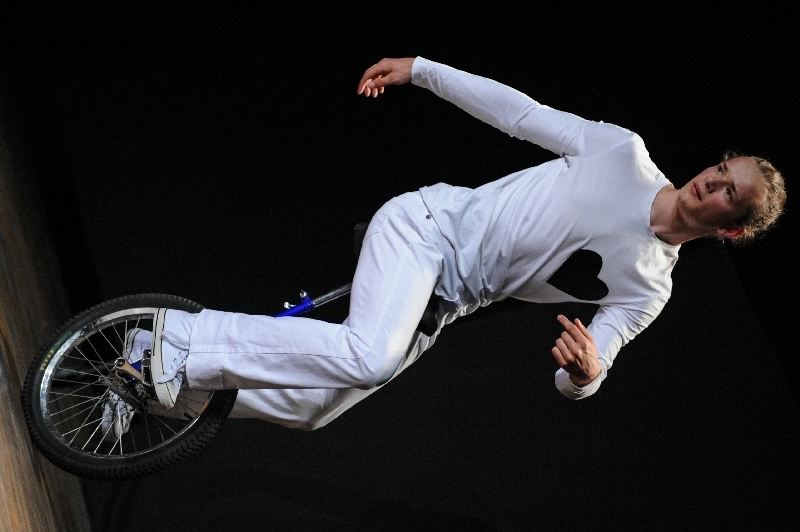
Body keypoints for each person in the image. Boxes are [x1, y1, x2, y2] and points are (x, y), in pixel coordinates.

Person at [103, 56, 786, 437]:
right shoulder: (622, 154)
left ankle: (158, 391)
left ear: (731, 229)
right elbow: (519, 113)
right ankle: (173, 343)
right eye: (722, 169)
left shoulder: (649, 288)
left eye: (730, 193)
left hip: (443, 302)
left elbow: (585, 369)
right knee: (368, 357)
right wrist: (423, 70)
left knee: (314, 410)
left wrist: (585, 378)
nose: (713, 182)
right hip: (427, 229)